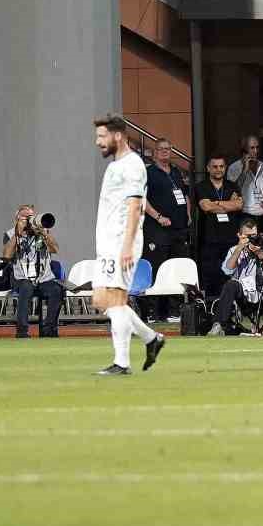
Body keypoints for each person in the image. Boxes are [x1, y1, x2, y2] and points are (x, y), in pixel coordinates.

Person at [90, 115, 165, 376]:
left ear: (118, 135)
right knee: (102, 300)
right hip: (109, 242)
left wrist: (126, 246)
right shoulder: (115, 165)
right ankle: (151, 338)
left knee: (117, 299)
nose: (97, 142)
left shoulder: (133, 165)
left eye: (102, 136)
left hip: (122, 242)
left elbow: (135, 207)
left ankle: (121, 362)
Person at [140, 137, 190, 323]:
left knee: (176, 266)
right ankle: (152, 311)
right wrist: (158, 217)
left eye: (168, 149)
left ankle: (174, 310)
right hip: (156, 229)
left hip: (178, 229)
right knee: (156, 267)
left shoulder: (176, 172)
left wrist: (187, 214)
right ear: (154, 153)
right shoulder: (148, 173)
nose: (165, 152)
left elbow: (183, 194)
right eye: (161, 149)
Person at [213, 216, 263, 335]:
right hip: (244, 299)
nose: (252, 239)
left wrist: (262, 256)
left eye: (254, 235)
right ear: (239, 235)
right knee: (230, 284)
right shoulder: (234, 250)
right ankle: (219, 324)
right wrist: (240, 248)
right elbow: (227, 270)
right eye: (248, 236)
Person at [2, 204, 62, 338]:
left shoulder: (41, 231)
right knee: (26, 287)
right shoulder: (10, 234)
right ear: (17, 219)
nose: (29, 220)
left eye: (31, 216)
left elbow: (55, 250)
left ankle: (49, 330)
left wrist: (45, 235)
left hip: (43, 279)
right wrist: (18, 234)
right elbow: (6, 256)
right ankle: (22, 331)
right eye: (25, 217)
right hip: (21, 279)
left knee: (57, 290)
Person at [194, 155, 243, 299]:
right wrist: (228, 204)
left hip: (230, 238)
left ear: (225, 168)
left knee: (229, 273)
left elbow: (239, 205)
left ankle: (230, 306)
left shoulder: (232, 185)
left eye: (221, 166)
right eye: (214, 166)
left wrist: (217, 204)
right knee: (211, 275)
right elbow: (206, 207)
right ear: (208, 168)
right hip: (210, 239)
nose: (218, 169)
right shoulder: (201, 187)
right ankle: (211, 307)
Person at [227, 133, 263, 228]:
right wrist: (245, 171)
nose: (256, 151)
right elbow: (232, 192)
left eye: (257, 148)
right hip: (244, 216)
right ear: (244, 150)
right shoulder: (234, 168)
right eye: (252, 148)